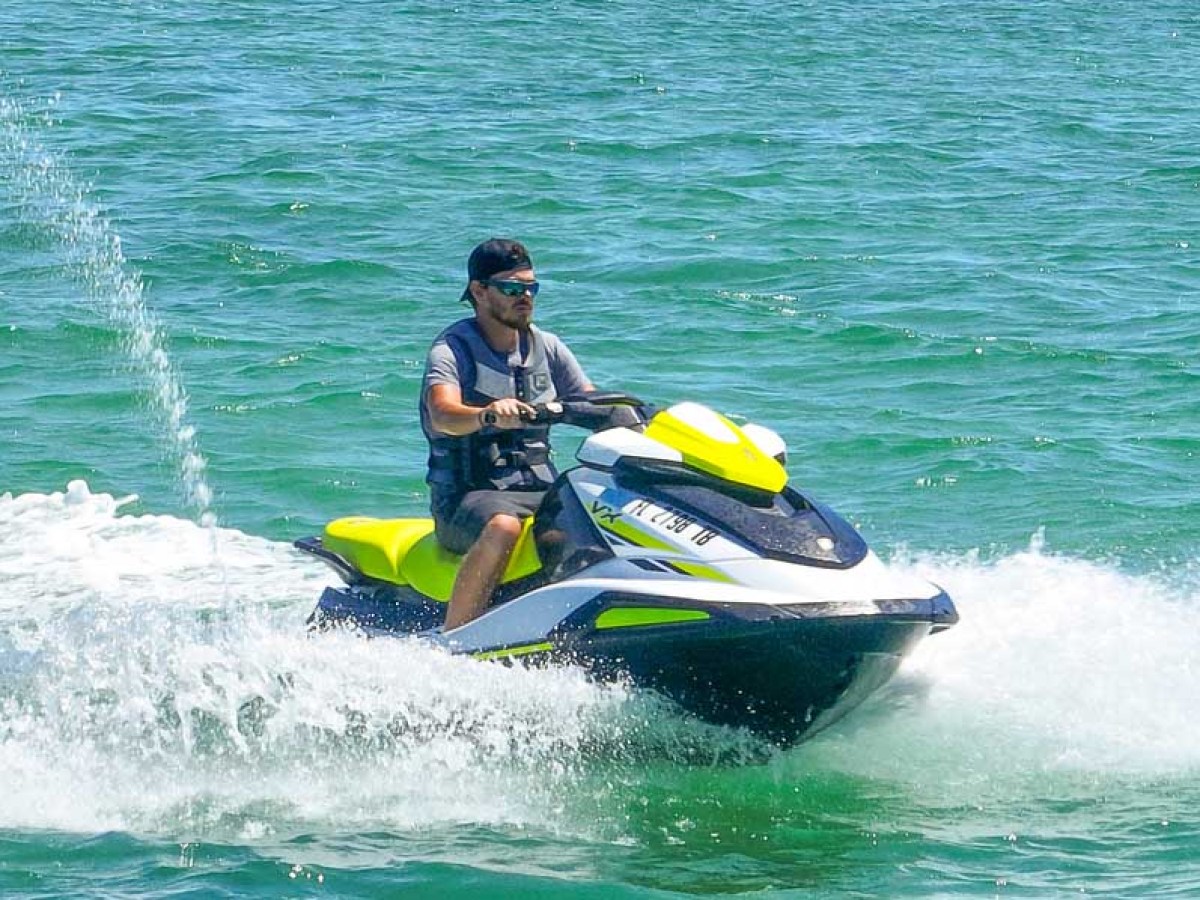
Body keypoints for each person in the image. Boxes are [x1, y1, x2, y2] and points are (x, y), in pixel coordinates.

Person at [420, 238, 594, 631]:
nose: (525, 297)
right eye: (513, 289)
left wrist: (632, 416)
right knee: (504, 525)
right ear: (480, 291)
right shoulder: (452, 349)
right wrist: (486, 415)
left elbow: (590, 401)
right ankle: (457, 639)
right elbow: (443, 413)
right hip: (466, 498)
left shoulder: (546, 347)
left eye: (532, 288)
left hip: (539, 489)